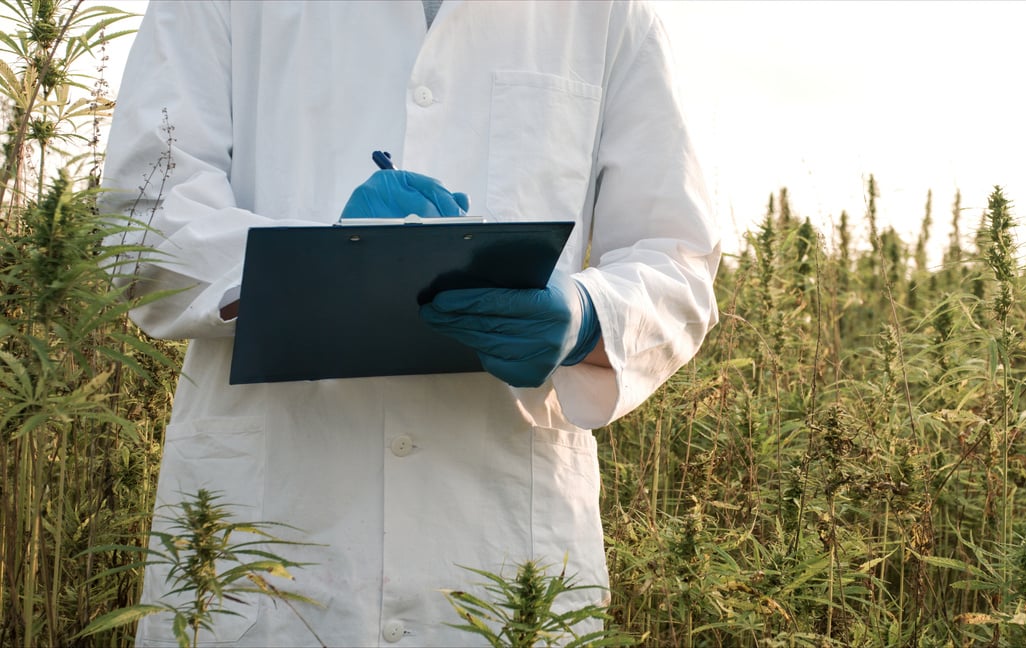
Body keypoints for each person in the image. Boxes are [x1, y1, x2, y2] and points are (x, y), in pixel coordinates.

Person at [101, 1, 719, 645]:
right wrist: (313, 260)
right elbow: (140, 220)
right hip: (266, 544)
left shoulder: (609, 12)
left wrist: (589, 319)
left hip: (503, 548)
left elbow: (677, 261)